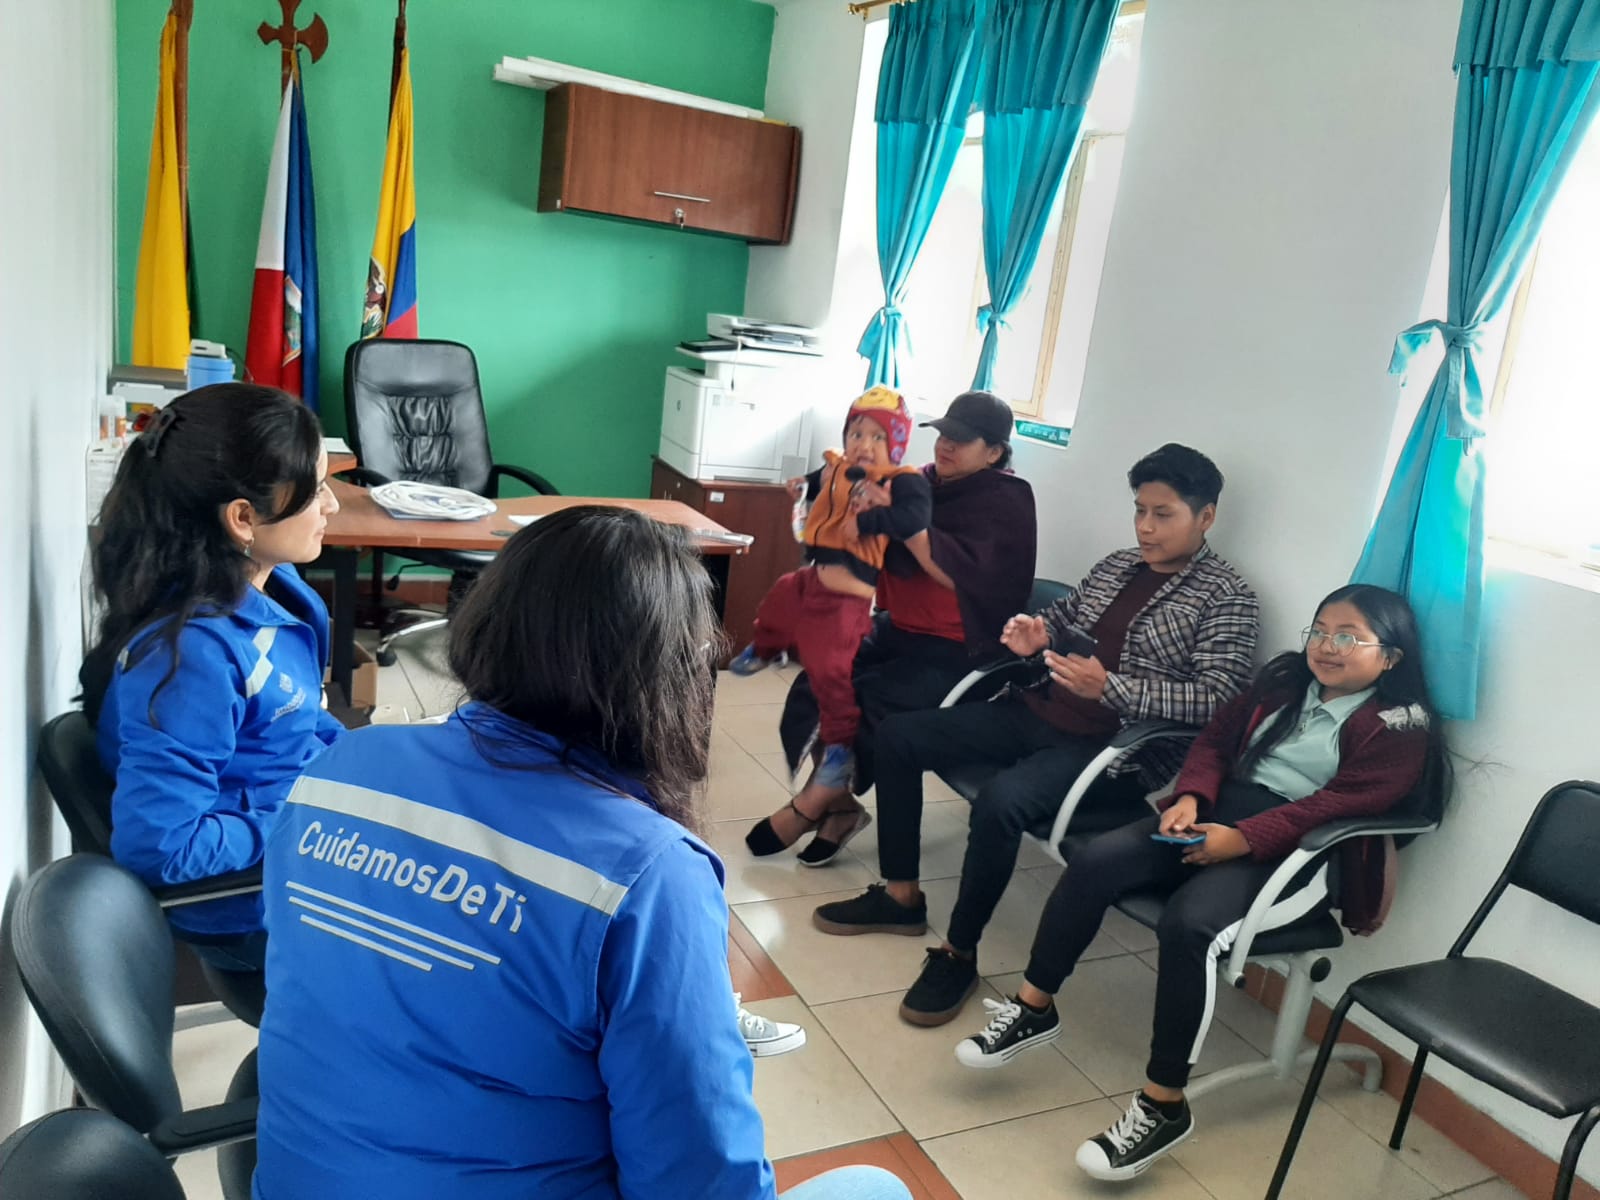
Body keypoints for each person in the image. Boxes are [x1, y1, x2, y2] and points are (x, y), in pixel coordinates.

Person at [252, 507, 911, 1200]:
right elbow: (700, 1183)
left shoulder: (341, 765)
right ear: (666, 673)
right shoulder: (649, 874)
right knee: (876, 1188)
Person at [953, 584, 1450, 1182]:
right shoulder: (1286, 679)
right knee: (1096, 862)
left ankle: (1163, 1104)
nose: (1326, 646)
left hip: (1303, 854)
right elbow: (1216, 739)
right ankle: (1034, 1007)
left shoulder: (1399, 727)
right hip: (1221, 813)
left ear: (1390, 657)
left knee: (1190, 924)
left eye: (1348, 638)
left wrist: (1242, 839)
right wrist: (1191, 796)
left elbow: (1338, 806)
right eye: (1320, 630)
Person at [813, 444, 1260, 1028]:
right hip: (1038, 710)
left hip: (1110, 751)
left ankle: (958, 953)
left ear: (1206, 517)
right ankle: (901, 897)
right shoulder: (1117, 565)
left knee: (1001, 803)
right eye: (1139, 510)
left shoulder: (1227, 596)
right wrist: (1034, 634)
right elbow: (1063, 620)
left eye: (1163, 514)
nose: (1146, 527)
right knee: (899, 736)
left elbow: (1219, 698)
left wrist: (1114, 689)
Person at [80, 384, 343, 998]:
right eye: (315, 491)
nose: (331, 505)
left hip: (303, 843)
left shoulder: (275, 591)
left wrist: (371, 762)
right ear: (243, 518)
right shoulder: (193, 657)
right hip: (260, 905)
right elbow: (161, 847)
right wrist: (299, 818)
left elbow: (300, 718)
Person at [752, 390, 1038, 865]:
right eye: (943, 434)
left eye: (961, 440)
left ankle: (814, 802)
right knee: (820, 680)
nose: (945, 445)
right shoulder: (920, 480)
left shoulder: (1006, 500)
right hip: (898, 629)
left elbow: (961, 575)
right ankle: (840, 807)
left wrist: (905, 524)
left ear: (994, 452)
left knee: (871, 701)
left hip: (960, 649)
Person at [736, 386, 931, 849]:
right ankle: (766, 649)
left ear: (897, 445)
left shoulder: (902, 481)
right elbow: (820, 482)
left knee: (829, 672)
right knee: (779, 599)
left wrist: (867, 522)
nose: (864, 444)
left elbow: (913, 518)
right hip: (815, 576)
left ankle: (840, 750)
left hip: (849, 598)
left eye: (878, 437)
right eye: (856, 433)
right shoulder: (838, 467)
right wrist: (801, 486)